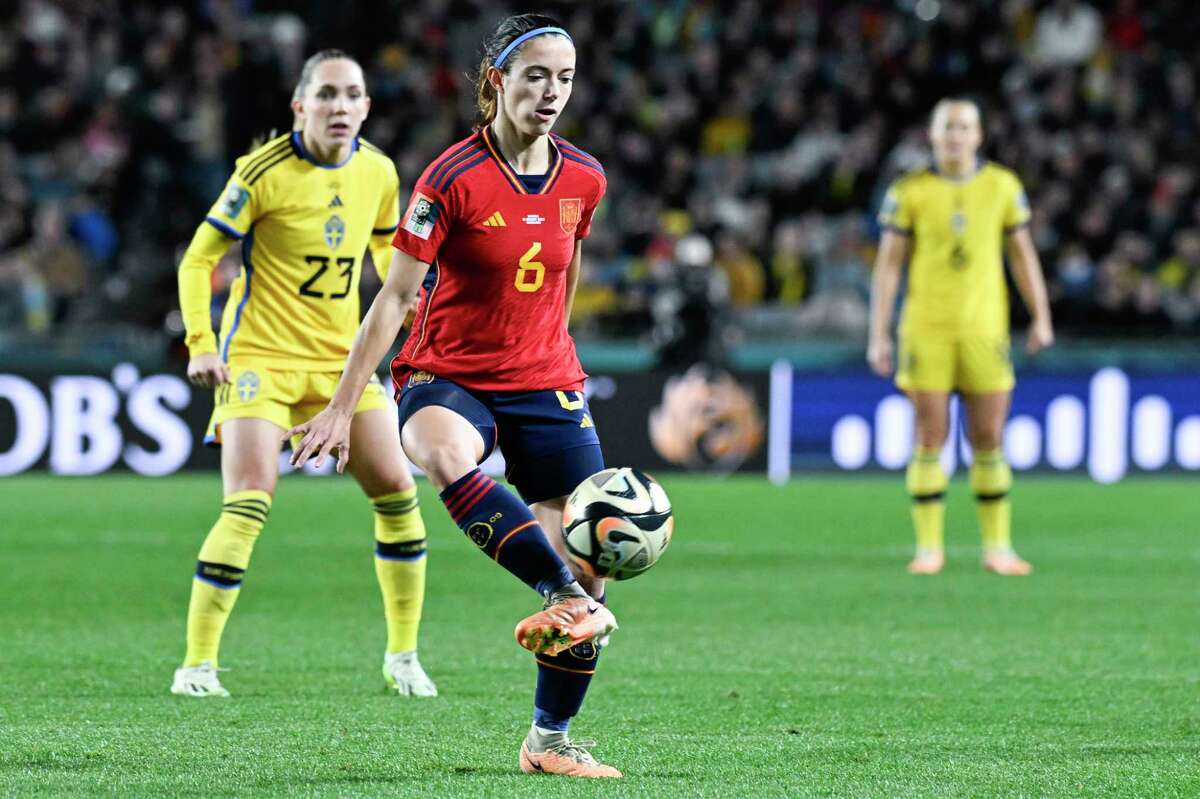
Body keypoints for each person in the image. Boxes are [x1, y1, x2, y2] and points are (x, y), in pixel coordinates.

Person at [287, 15, 622, 779]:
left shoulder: (586, 177)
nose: (551, 92)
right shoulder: (450, 178)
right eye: (535, 75)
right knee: (439, 450)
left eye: (564, 78)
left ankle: (550, 741)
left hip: (546, 379)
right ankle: (559, 592)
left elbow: (567, 268)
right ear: (497, 80)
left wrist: (555, 353)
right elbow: (395, 297)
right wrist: (345, 401)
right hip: (447, 371)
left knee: (594, 559)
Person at [171, 50, 436, 698]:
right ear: (301, 105)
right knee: (250, 498)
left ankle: (403, 655)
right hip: (259, 359)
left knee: (400, 495)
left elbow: (381, 248)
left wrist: (417, 297)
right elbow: (197, 259)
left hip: (341, 362)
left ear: (367, 106)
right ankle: (197, 664)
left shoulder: (378, 171)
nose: (339, 107)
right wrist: (201, 342)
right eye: (326, 95)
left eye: (352, 95)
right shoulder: (262, 171)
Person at [868, 98, 1055, 576]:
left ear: (979, 136)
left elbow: (1022, 255)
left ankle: (999, 547)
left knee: (989, 435)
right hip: (925, 329)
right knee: (930, 435)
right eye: (947, 128)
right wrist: (879, 333)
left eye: (964, 127)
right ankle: (929, 548)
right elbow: (888, 267)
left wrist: (1040, 315)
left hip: (985, 329)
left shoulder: (1002, 187)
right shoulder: (909, 191)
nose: (955, 136)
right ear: (932, 136)